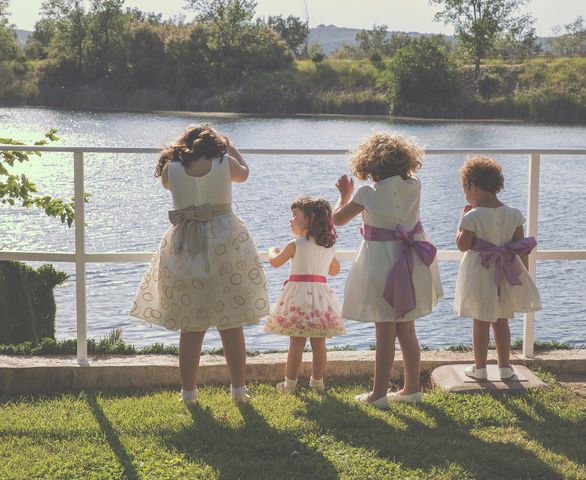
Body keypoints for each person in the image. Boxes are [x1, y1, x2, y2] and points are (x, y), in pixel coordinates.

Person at [130, 123, 269, 404]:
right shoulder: (225, 163)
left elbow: (168, 182)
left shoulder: (172, 170)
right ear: (214, 145)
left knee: (191, 328)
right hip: (225, 247)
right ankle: (239, 391)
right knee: (231, 325)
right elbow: (245, 174)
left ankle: (189, 393)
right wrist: (230, 147)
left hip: (184, 246)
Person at [333, 132, 443, 408]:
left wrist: (343, 196)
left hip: (381, 263)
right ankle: (411, 388)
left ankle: (378, 394)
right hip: (413, 259)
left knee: (384, 332)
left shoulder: (366, 192)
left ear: (368, 165)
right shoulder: (414, 185)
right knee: (407, 329)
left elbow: (338, 220)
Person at [454, 155, 541, 380]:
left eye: (465, 189)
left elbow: (463, 245)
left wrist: (461, 221)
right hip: (505, 273)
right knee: (501, 320)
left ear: (472, 186)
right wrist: (524, 274)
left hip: (479, 273)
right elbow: (520, 248)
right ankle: (504, 367)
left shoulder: (472, 216)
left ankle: (480, 368)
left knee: (480, 321)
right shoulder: (513, 214)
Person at [264, 196, 344, 393]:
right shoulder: (328, 246)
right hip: (321, 298)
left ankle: (289, 385)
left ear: (310, 218)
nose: (291, 219)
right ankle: (317, 384)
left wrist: (271, 251)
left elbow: (275, 262)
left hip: (298, 299)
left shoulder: (295, 244)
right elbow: (334, 271)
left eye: (295, 215)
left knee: (296, 344)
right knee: (319, 345)